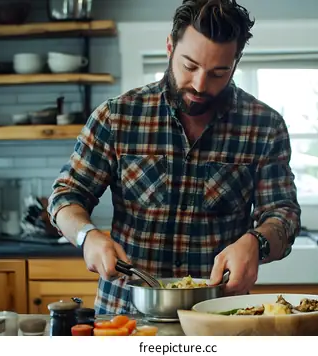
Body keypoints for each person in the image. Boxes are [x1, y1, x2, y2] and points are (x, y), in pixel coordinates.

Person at [48, 0, 301, 315]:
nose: (199, 85)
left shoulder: (264, 126)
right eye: (190, 66)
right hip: (126, 315)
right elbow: (65, 196)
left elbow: (284, 214)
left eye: (218, 73)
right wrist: (87, 236)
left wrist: (256, 242)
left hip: (219, 316)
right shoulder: (117, 117)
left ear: (235, 62)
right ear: (170, 47)